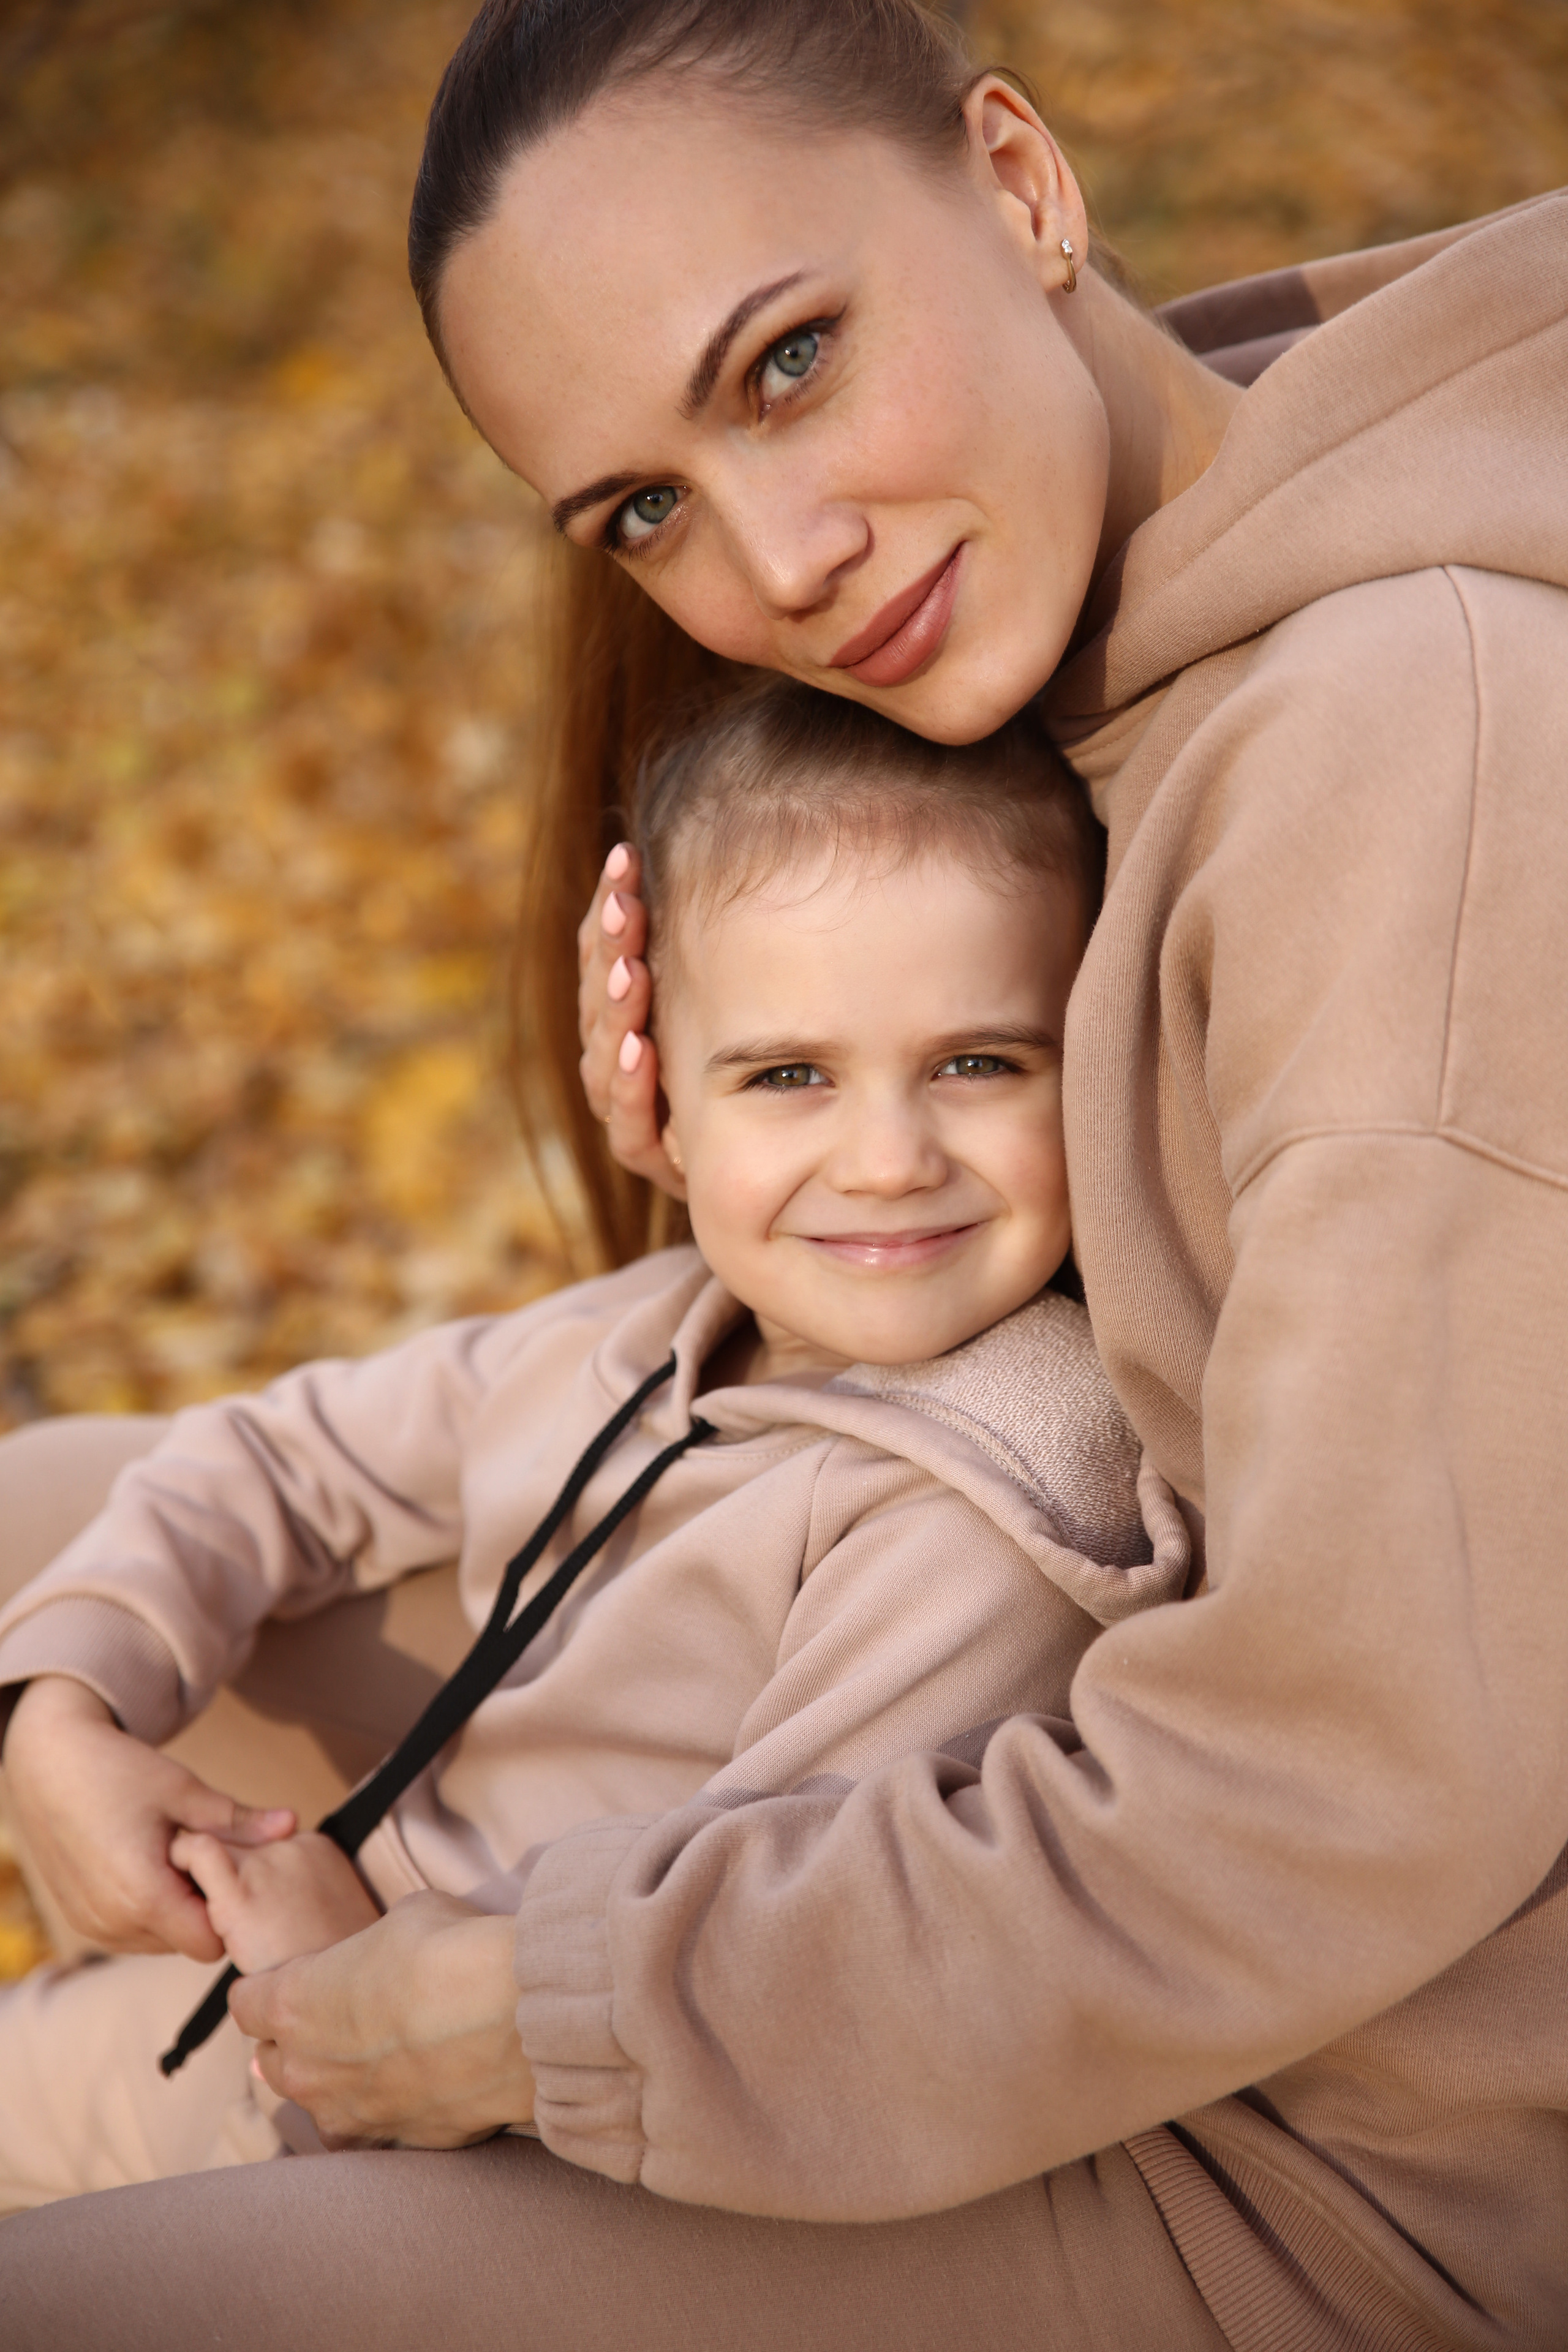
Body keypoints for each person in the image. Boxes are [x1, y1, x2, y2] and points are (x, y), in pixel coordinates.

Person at [0, 0, 1563, 2344]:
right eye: (644, 513)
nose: (784, 562)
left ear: (1022, 184)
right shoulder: (1079, 615)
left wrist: (523, 2009)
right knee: (43, 1545)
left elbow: (1347, 1791)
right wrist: (729, 1177)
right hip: (1007, 1863)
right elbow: (1073, 1331)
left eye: (791, 364)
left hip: (1306, 2165)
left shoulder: (1407, 745)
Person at [0, 688, 1188, 2191]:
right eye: (786, 1075)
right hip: (318, 1947)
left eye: (977, 1063)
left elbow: (751, 1972)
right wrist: (65, 1707)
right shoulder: (657, 1323)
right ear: (658, 1094)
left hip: (459, 2127)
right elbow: (285, 1459)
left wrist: (351, 1988)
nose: (887, 1161)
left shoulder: (971, 1527)